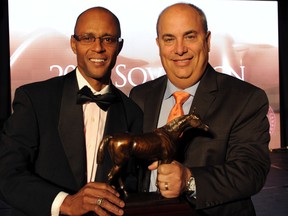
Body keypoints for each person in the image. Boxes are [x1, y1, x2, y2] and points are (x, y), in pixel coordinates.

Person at [0, 6, 143, 216]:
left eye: (108, 39)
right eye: (88, 38)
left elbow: (130, 184)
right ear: (73, 44)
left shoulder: (132, 112)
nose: (98, 48)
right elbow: (7, 174)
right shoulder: (35, 99)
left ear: (119, 46)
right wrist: (65, 203)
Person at [130, 3, 270, 216]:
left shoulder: (246, 98)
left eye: (190, 36)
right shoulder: (140, 96)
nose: (179, 49)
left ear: (207, 40)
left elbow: (251, 172)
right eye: (169, 39)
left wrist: (189, 180)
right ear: (158, 44)